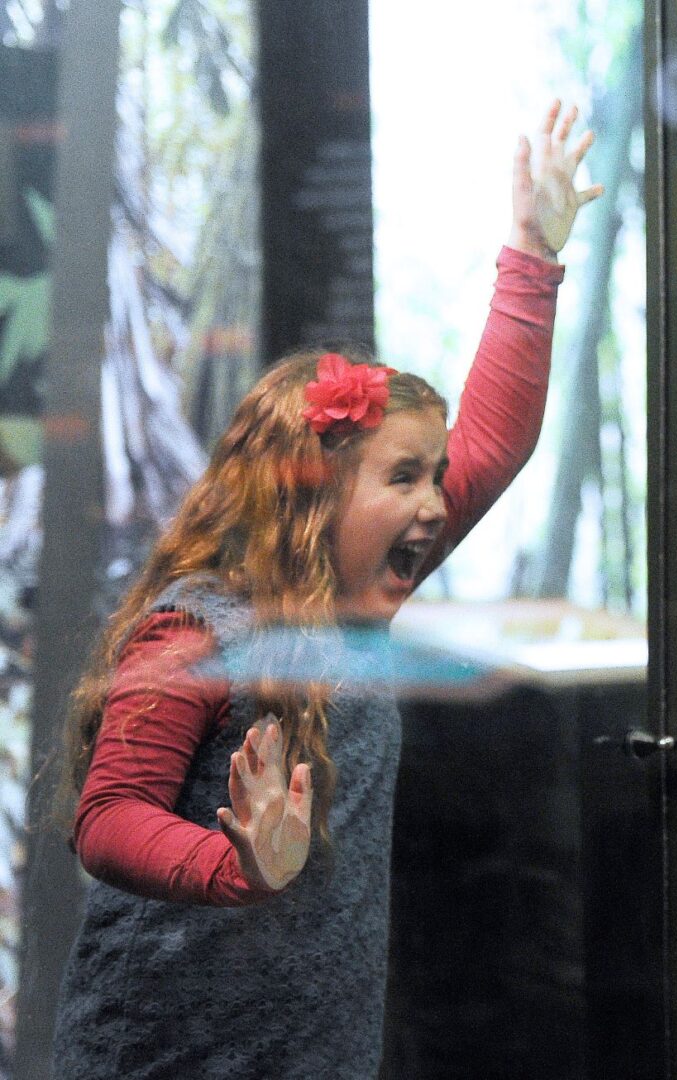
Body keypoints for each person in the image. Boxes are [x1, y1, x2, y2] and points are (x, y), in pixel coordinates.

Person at [51, 100, 602, 1078]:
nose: (439, 500)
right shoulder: (195, 626)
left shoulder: (356, 603)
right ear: (310, 498)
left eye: (434, 477)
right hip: (167, 1058)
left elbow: (494, 443)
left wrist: (531, 254)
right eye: (405, 478)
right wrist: (236, 866)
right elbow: (108, 816)